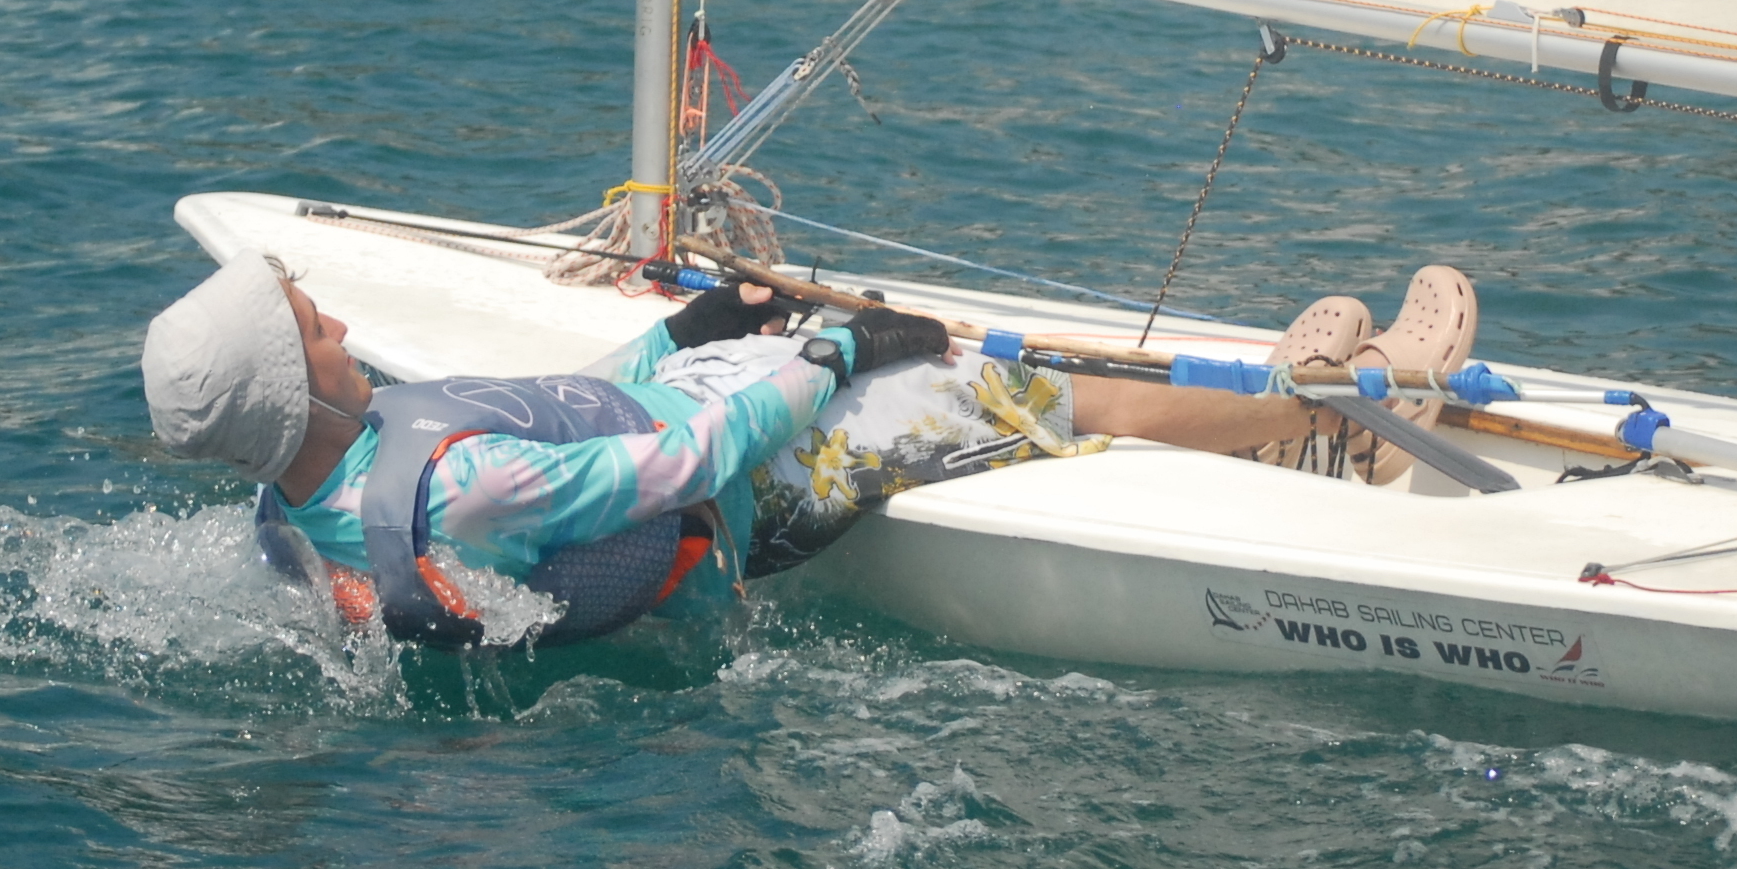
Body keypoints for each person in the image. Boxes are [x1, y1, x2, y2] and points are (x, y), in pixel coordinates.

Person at [139, 250, 1477, 650]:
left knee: (922, 361)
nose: (340, 324)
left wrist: (687, 330)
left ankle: (1277, 412)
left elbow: (568, 407)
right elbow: (676, 470)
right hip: (753, 479)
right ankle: (1343, 416)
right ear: (290, 388)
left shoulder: (304, 496)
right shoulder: (459, 486)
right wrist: (833, 356)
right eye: (312, 329)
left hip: (709, 412)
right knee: (1022, 388)